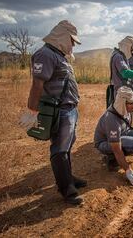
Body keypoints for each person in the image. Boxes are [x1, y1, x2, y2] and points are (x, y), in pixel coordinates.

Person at [20, 20, 85, 205]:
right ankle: (66, 190)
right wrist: (32, 111)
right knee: (59, 148)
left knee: (67, 145)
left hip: (70, 109)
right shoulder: (45, 54)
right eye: (72, 41)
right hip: (59, 111)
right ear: (63, 36)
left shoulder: (59, 55)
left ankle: (69, 178)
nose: (73, 44)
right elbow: (37, 85)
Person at [94, 86, 133, 184]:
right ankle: (111, 159)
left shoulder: (126, 107)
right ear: (122, 103)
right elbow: (116, 148)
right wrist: (128, 170)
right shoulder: (111, 120)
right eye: (131, 103)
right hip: (106, 142)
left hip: (123, 134)